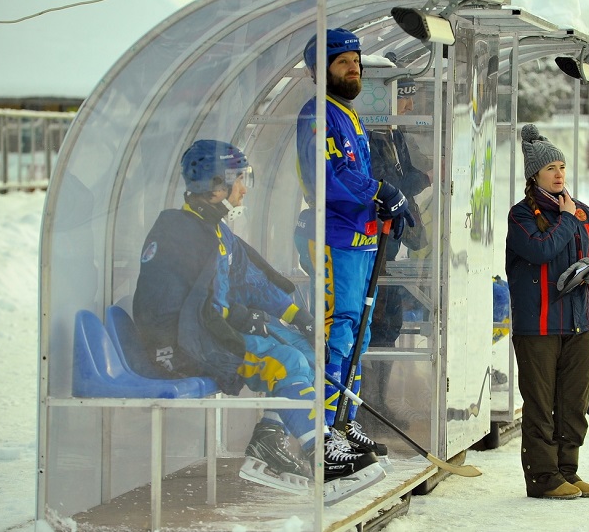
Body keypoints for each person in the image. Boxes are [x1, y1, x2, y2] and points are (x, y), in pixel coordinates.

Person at [133, 139, 384, 502]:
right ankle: (320, 457)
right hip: (184, 345)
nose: (245, 187)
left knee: (305, 349)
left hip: (207, 332)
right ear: (217, 186)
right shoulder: (182, 233)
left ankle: (268, 439)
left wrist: (301, 320)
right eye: (238, 178)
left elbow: (252, 281)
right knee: (284, 362)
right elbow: (176, 312)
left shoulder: (214, 229)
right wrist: (241, 327)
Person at [293, 29, 415, 468]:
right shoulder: (318, 115)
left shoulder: (349, 115)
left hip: (361, 241)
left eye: (356, 61)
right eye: (342, 61)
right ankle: (322, 432)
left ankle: (345, 420)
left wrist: (386, 202)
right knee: (338, 333)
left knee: (358, 334)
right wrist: (379, 188)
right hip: (335, 241)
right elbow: (331, 177)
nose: (353, 67)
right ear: (317, 71)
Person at [505, 124, 589, 500]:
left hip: (580, 323)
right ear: (535, 175)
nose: (559, 173)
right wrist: (566, 219)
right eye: (551, 168)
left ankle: (568, 470)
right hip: (539, 327)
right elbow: (540, 251)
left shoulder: (583, 212)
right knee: (541, 405)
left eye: (562, 166)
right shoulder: (521, 216)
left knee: (573, 403)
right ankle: (543, 477)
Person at [367, 59, 431, 414]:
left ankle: (380, 400)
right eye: (404, 99)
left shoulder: (395, 135)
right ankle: (367, 405)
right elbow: (386, 187)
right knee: (372, 321)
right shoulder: (369, 137)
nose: (409, 107)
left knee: (390, 322)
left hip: (391, 246)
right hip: (373, 246)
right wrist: (422, 178)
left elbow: (408, 171)